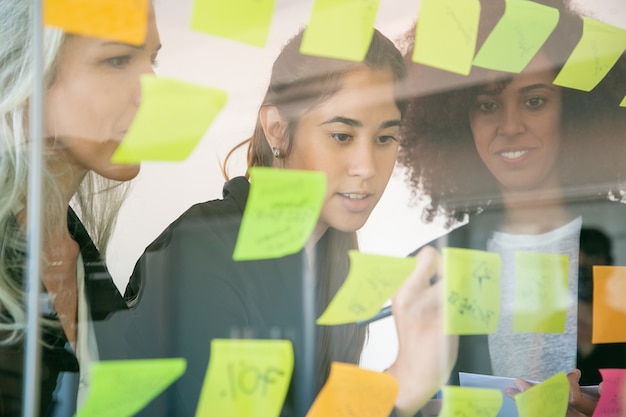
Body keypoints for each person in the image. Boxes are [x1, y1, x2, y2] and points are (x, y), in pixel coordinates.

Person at [97, 28, 457, 417]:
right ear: (277, 129)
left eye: (385, 139)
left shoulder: (329, 263)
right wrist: (399, 386)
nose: (366, 167)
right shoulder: (202, 252)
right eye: (341, 136)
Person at [397, 0, 626, 415]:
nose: (510, 126)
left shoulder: (621, 244)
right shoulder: (434, 267)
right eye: (487, 105)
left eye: (534, 101)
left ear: (573, 110)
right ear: (456, 121)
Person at [0, 1, 161, 415]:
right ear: (29, 74)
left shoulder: (78, 259)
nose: (153, 92)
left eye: (152, 59)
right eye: (117, 60)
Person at [577, 227, 626, 386]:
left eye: (592, 254)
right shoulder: (547, 331)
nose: (582, 265)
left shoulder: (622, 324)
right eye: (573, 260)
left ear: (609, 263)